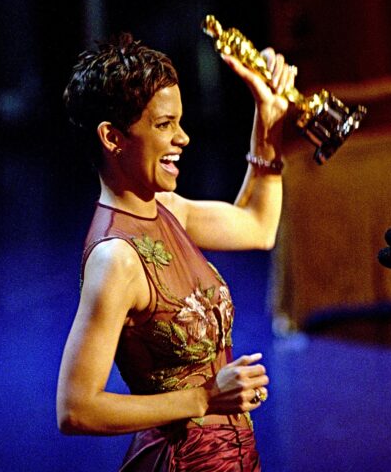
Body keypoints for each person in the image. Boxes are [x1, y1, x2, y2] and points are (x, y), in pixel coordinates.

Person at [56, 32, 296, 471]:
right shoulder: (117, 258)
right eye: (164, 124)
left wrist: (268, 119)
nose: (183, 137)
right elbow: (76, 409)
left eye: (179, 122)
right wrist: (204, 397)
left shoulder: (167, 209)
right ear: (112, 137)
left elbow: (259, 226)